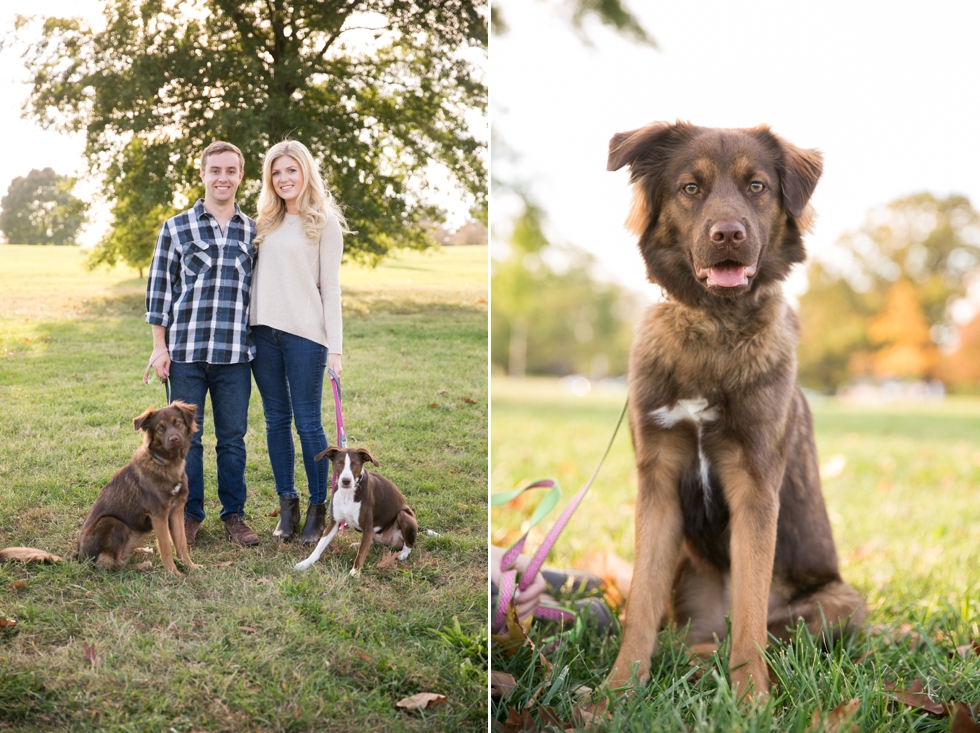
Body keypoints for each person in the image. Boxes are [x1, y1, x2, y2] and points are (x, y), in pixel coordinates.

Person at [145, 140, 259, 548]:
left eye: (231, 170)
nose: (222, 178)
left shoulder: (254, 230)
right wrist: (160, 347)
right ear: (203, 174)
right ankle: (189, 515)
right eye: (215, 170)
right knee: (185, 442)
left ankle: (235, 515)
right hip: (187, 353)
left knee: (232, 440)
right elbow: (159, 291)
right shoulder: (176, 227)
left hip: (234, 355)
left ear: (240, 176)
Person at [248, 140, 346, 544]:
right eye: (276, 172)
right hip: (261, 332)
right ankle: (286, 505)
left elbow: (333, 289)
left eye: (291, 170)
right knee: (275, 421)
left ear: (306, 172)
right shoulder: (263, 221)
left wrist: (335, 348)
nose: (283, 178)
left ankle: (317, 508)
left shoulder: (325, 223)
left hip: (306, 335)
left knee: (308, 423)